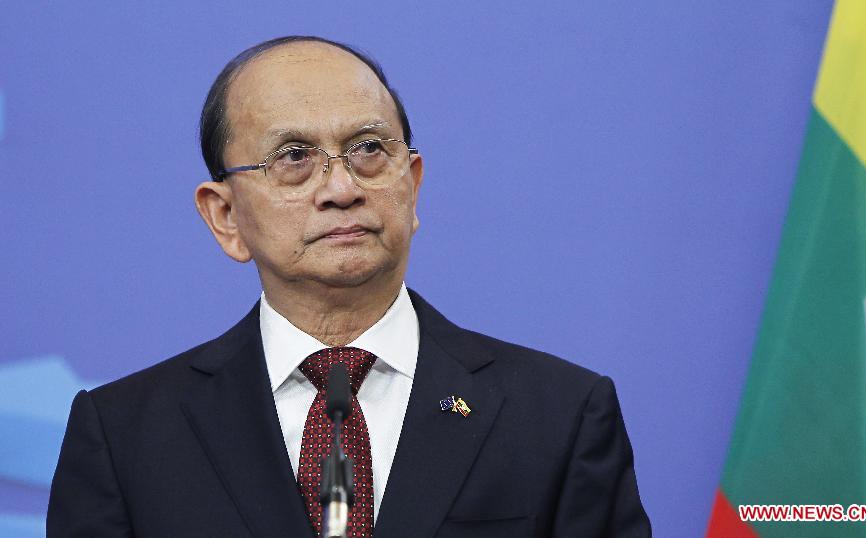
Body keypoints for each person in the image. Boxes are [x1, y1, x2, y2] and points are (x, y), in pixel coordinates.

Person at [47, 36, 650, 537]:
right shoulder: (126, 435)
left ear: (411, 185)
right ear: (225, 217)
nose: (341, 188)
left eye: (367, 149)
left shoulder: (559, 414)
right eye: (293, 157)